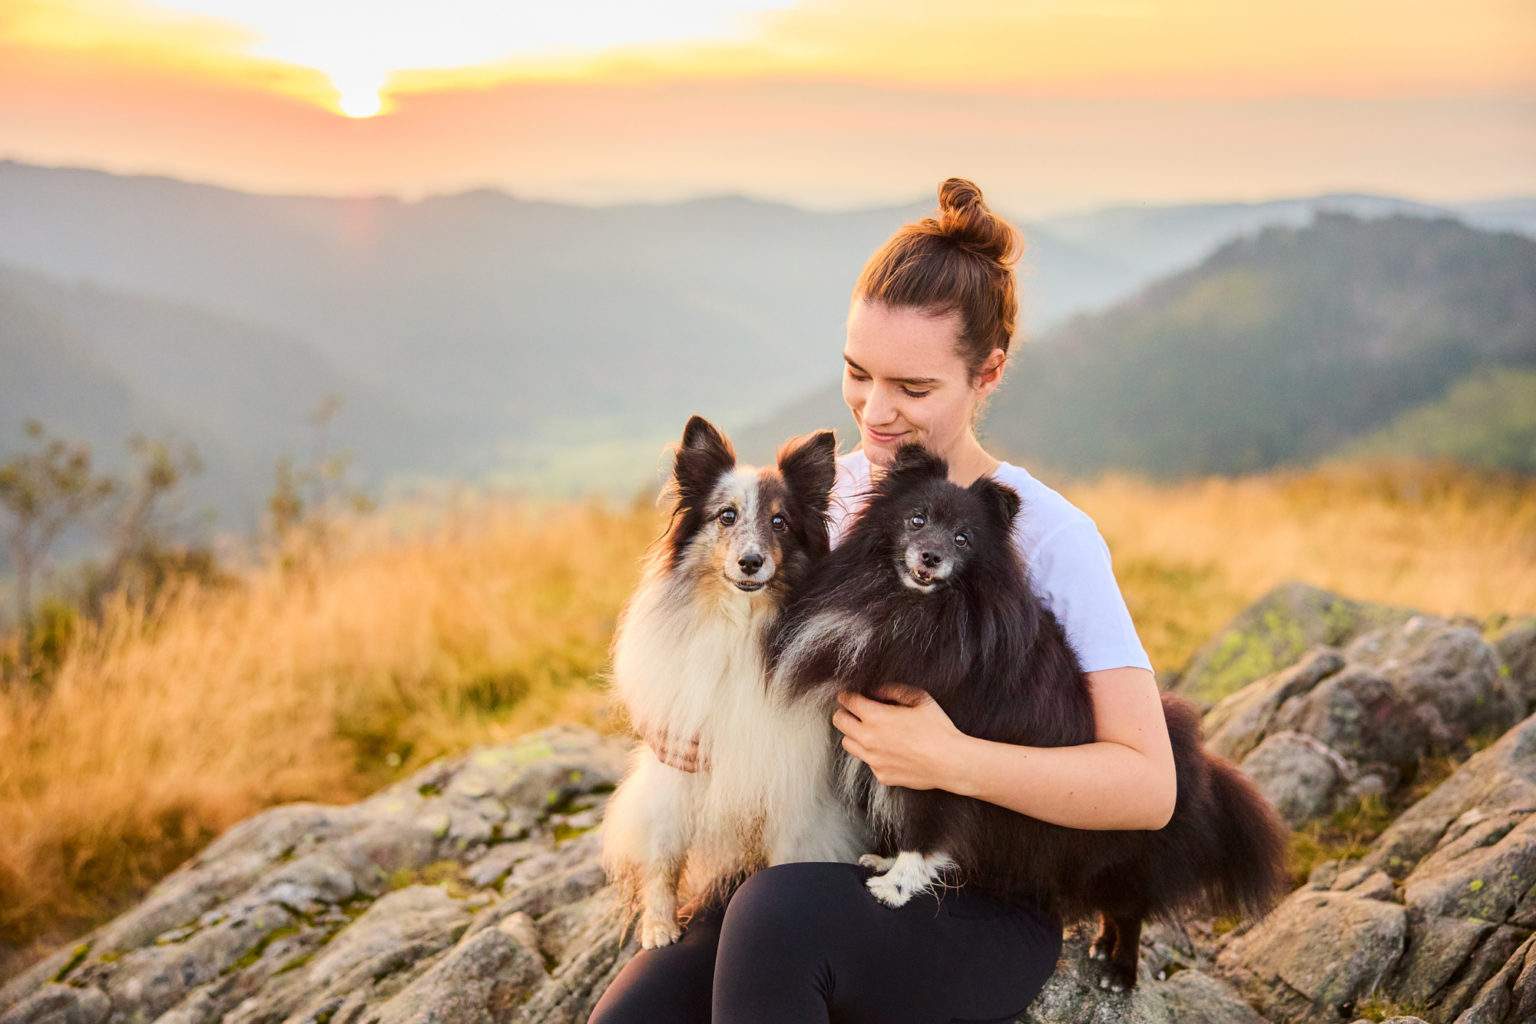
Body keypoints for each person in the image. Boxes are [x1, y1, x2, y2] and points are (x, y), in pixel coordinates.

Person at [589, 178, 1176, 1024]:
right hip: (819, 853)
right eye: (857, 374)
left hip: (974, 896)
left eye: (913, 387)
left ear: (989, 374)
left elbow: (1147, 785)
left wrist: (951, 760)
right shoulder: (839, 492)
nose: (876, 410)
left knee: (772, 918)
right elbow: (726, 605)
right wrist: (678, 720)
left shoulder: (1050, 536)